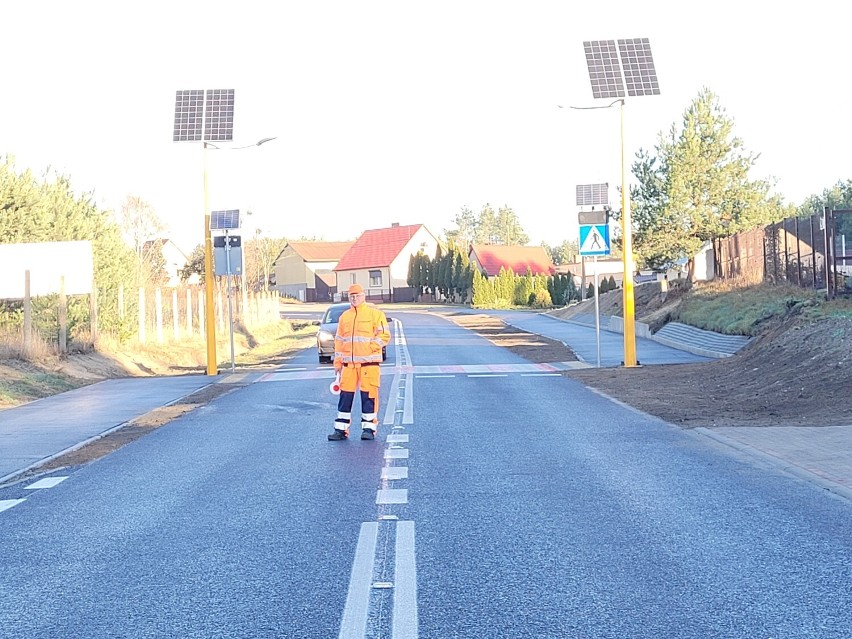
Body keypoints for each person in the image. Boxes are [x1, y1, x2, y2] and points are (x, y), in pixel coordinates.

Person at [327, 283, 390, 441]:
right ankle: (341, 430)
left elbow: (384, 336)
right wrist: (337, 363)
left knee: (368, 397)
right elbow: (339, 342)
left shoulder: (375, 315)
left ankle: (368, 429)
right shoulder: (344, 317)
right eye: (352, 296)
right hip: (349, 366)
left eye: (357, 296)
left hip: (369, 365)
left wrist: (371, 347)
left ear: (363, 296)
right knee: (345, 397)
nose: (354, 299)